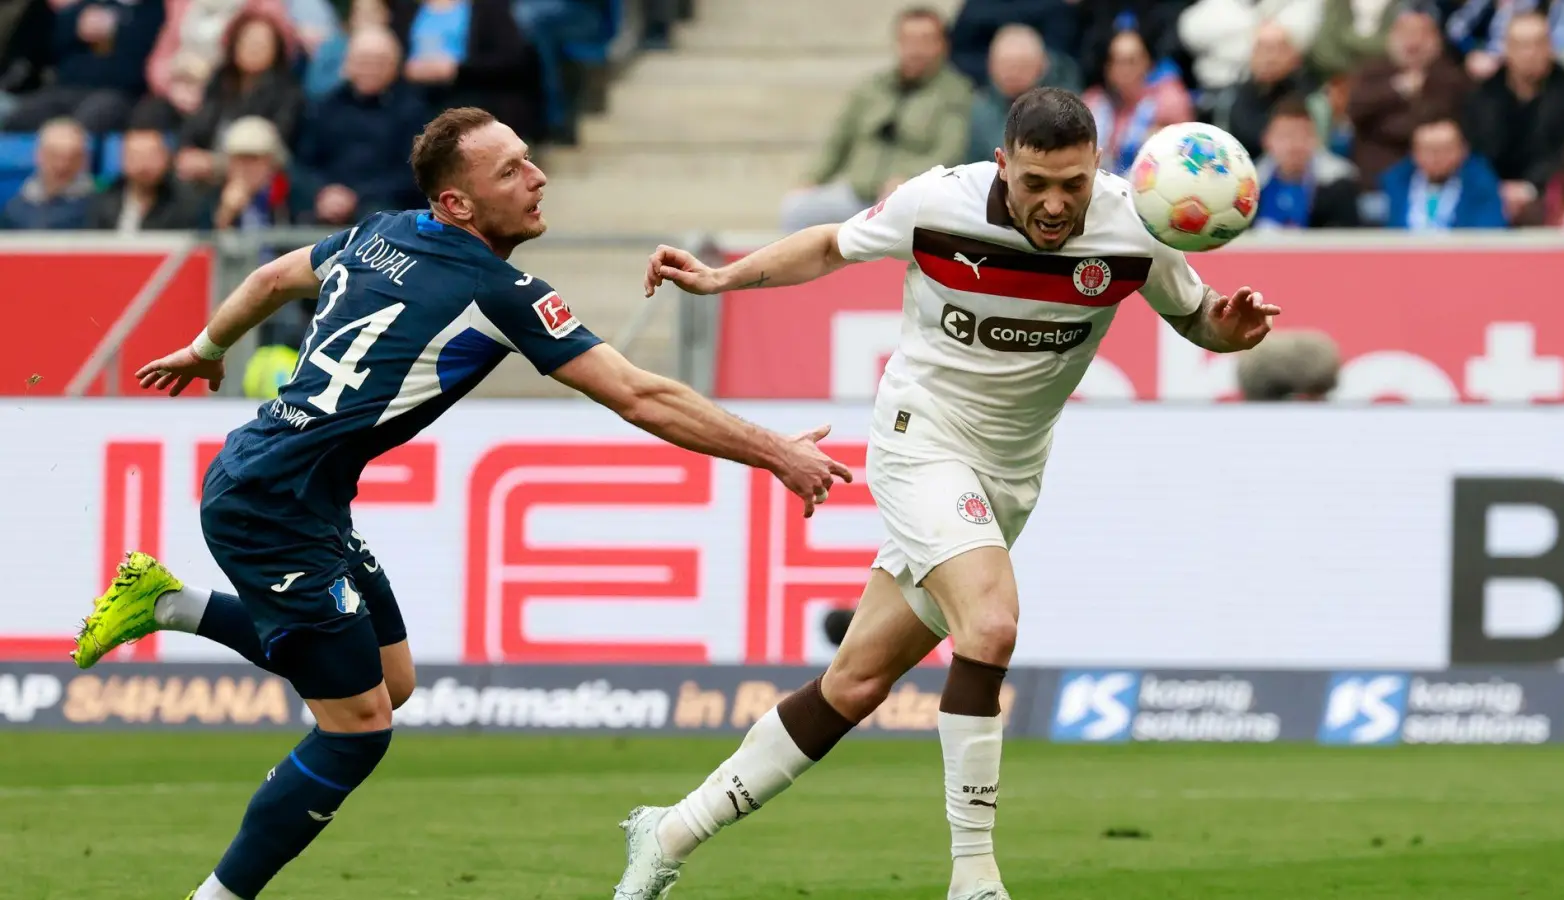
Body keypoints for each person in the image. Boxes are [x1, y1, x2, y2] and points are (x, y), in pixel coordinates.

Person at [69, 105, 852, 900]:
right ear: (458, 205)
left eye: (528, 160)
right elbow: (641, 396)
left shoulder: (381, 231)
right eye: (510, 169)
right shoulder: (498, 290)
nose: (537, 175)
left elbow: (273, 277)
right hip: (272, 508)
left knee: (389, 679)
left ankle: (169, 604)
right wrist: (775, 451)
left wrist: (208, 350)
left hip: (294, 491)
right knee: (359, 730)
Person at [613, 87, 1280, 900]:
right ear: (1004, 165)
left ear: (1098, 168)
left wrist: (1229, 328)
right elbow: (830, 246)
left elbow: (1198, 315)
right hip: (920, 442)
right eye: (1036, 182)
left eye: (1073, 183)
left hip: (1011, 474)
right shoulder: (939, 203)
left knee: (855, 684)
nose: (1055, 203)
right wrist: (722, 280)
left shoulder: (1134, 223)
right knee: (991, 624)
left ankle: (669, 830)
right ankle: (974, 877)